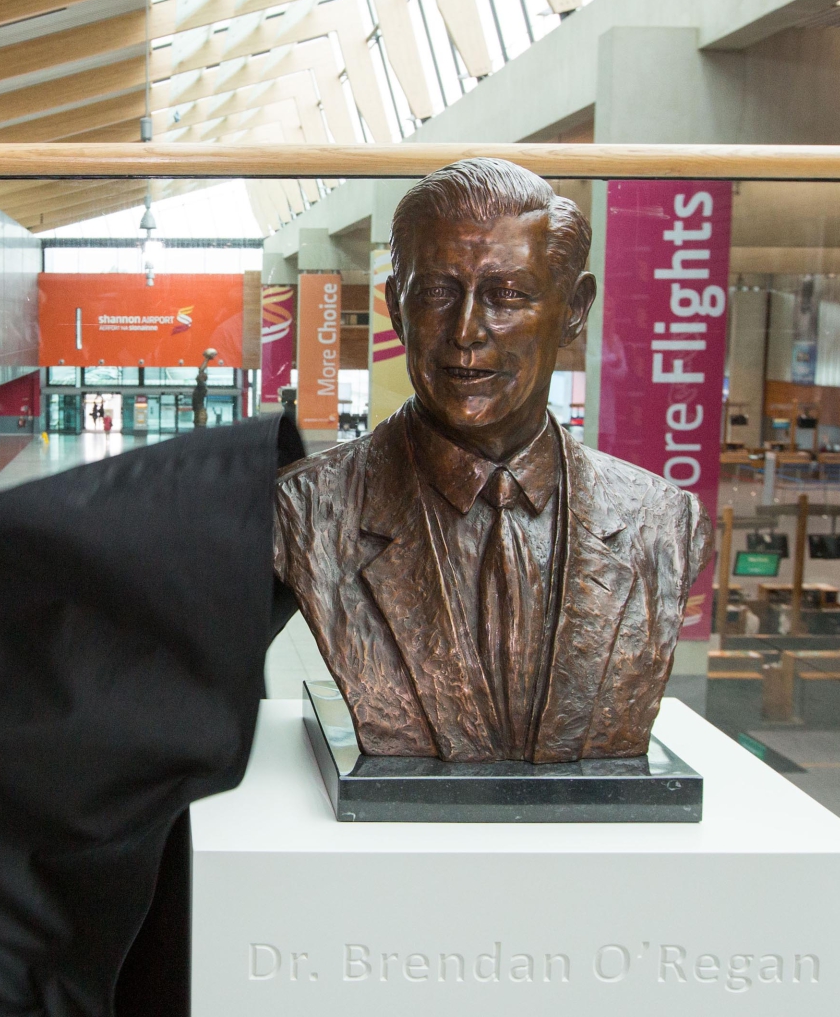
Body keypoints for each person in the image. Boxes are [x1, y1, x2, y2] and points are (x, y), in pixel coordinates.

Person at [273, 158, 709, 763]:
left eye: (507, 296)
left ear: (574, 309)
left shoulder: (662, 519)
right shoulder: (306, 508)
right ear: (396, 308)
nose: (467, 331)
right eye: (437, 293)